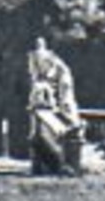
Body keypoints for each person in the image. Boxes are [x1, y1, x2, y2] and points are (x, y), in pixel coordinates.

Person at [26, 37, 83, 174]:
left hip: (53, 104)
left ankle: (63, 162)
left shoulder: (58, 67)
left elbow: (64, 92)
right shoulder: (36, 62)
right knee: (39, 134)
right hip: (43, 107)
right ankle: (44, 164)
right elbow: (37, 78)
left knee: (62, 128)